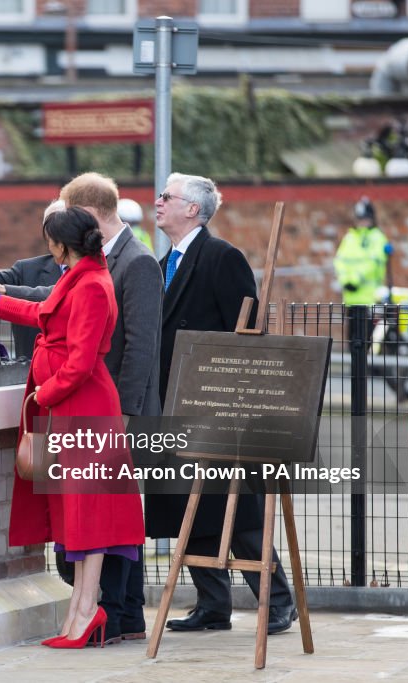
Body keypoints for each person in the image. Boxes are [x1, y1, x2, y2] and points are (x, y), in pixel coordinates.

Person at [0, 175, 163, 644]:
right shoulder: (83, 276)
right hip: (73, 409)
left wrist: (42, 395)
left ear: (63, 245)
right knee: (80, 514)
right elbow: (45, 311)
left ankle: (89, 612)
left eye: (52, 245)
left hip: (82, 408)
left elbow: (83, 361)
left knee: (89, 514)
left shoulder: (90, 283)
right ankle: (84, 611)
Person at [153, 172, 297, 635]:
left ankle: (277, 602)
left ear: (192, 209)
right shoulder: (163, 264)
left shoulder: (220, 257)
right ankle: (213, 606)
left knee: (241, 512)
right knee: (189, 509)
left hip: (216, 406)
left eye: (166, 197)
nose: (157, 202)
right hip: (173, 406)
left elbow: (248, 331)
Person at [0, 199, 66, 359]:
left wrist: (2, 291)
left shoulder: (91, 272)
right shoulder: (25, 269)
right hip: (29, 371)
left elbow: (53, 297)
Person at [334, 198, 392, 340]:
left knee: (368, 342)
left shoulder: (377, 238)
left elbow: (374, 263)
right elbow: (339, 261)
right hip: (351, 299)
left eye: (365, 219)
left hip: (370, 300)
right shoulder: (350, 237)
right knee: (352, 341)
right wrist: (346, 280)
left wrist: (354, 279)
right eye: (360, 219)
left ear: (372, 219)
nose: (362, 222)